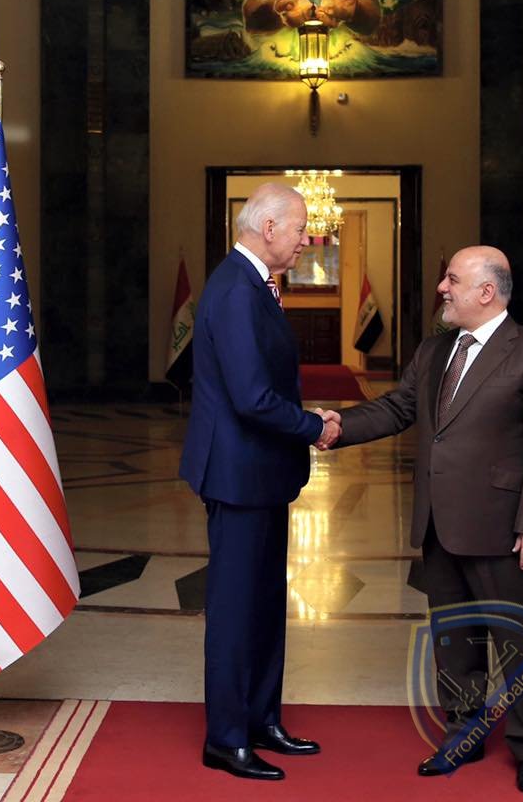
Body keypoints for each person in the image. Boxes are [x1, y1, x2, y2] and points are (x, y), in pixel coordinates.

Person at [324, 246, 523, 793]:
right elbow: (397, 408)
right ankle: (463, 734)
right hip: (440, 524)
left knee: (520, 642)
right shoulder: (435, 350)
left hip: (505, 529)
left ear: (487, 291)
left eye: (452, 280)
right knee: (454, 642)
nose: (442, 288)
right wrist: (337, 426)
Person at [179, 183, 340, 782]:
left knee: (266, 605)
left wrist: (303, 420)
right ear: (268, 228)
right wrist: (312, 426)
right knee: (235, 610)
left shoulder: (256, 285)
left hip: (262, 472)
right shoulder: (234, 289)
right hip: (237, 474)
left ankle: (261, 720)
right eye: (300, 229)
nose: (306, 239)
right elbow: (250, 397)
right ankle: (226, 739)